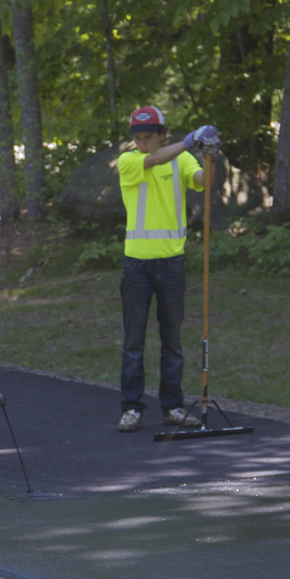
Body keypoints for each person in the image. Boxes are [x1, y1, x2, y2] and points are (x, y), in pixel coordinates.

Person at [116, 106, 222, 432]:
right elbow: (153, 161)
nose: (143, 143)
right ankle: (132, 408)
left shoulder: (182, 159)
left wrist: (211, 157)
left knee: (172, 341)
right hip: (137, 264)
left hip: (173, 263)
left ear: (163, 134)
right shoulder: (129, 161)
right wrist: (192, 139)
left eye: (149, 136)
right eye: (138, 137)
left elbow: (204, 182)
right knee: (134, 341)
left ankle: (172, 406)